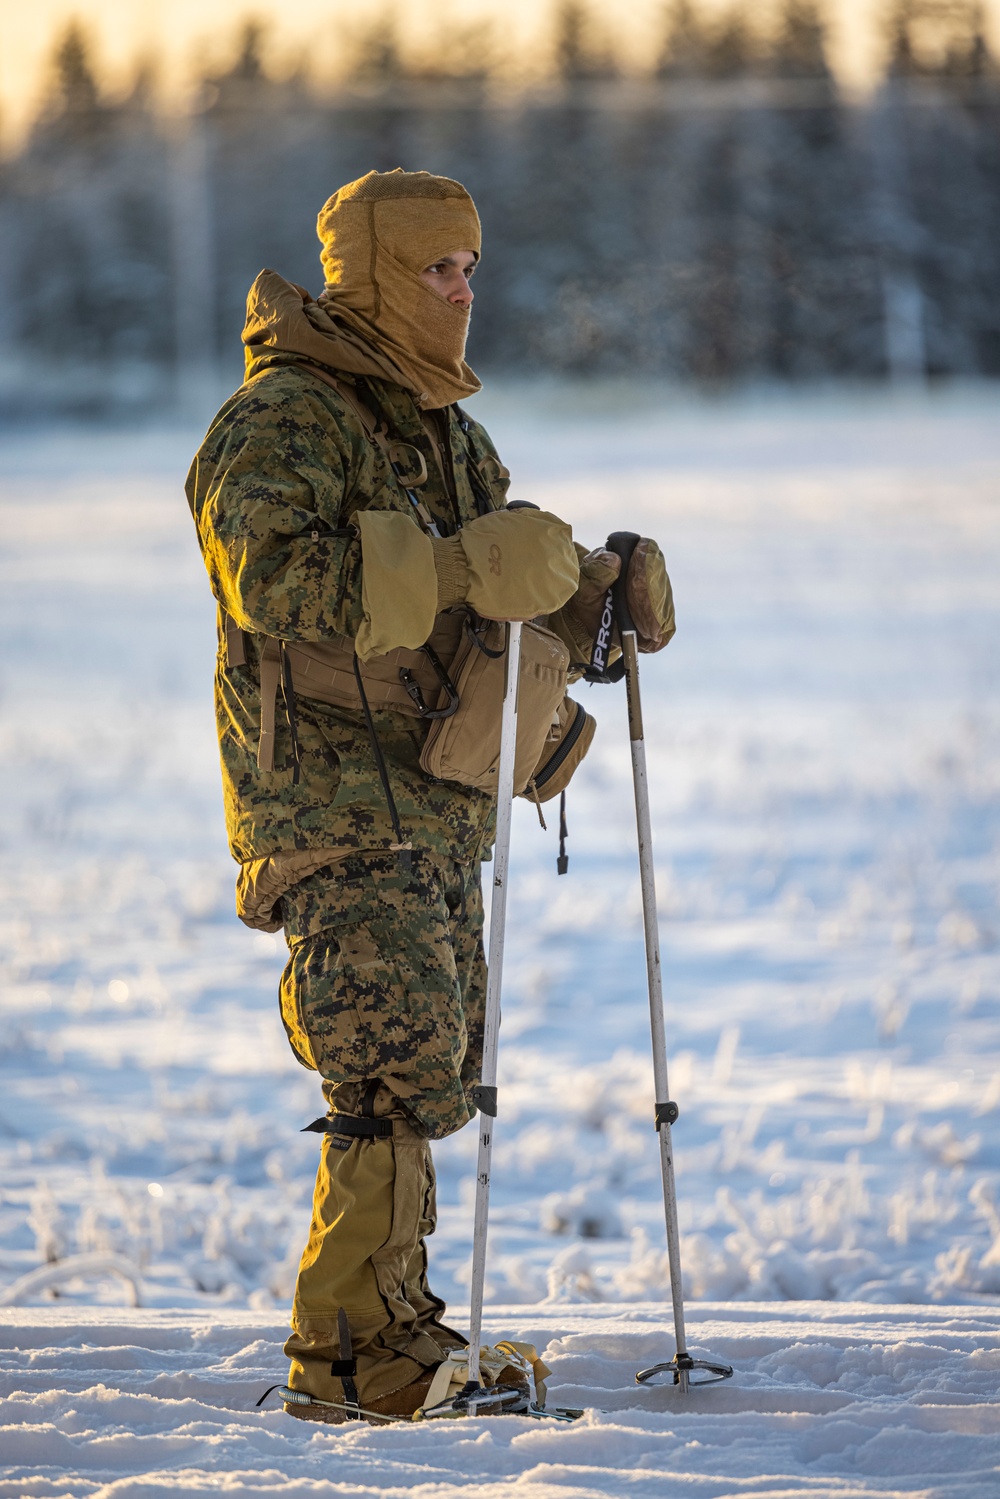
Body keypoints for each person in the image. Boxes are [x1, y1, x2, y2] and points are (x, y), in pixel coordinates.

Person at [185, 168, 674, 1422]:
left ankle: (398, 1328)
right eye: (437, 270)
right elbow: (272, 580)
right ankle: (351, 1353)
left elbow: (495, 593)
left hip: (436, 799)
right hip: (332, 805)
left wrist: (591, 596)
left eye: (471, 268)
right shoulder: (282, 418)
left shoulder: (447, 432)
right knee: (384, 1056)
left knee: (429, 1064)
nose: (464, 292)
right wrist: (459, 559)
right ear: (373, 276)